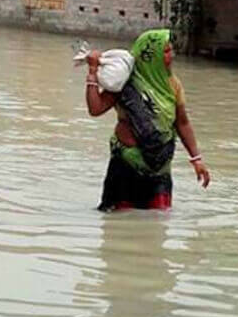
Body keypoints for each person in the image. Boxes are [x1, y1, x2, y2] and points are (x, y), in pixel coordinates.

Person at [85, 29, 210, 211]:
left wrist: (196, 159)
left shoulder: (173, 85)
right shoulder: (124, 82)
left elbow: (182, 123)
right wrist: (92, 72)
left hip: (159, 168)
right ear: (150, 56)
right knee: (119, 226)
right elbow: (95, 109)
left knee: (158, 223)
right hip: (126, 166)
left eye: (170, 51)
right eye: (165, 52)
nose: (171, 56)